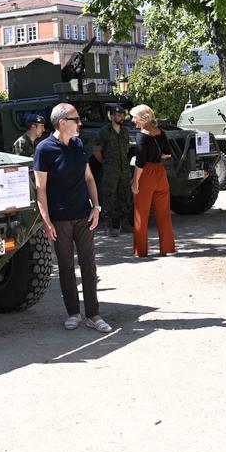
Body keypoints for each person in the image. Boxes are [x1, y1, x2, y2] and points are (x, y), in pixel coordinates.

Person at [33, 104, 112, 333]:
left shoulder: (78, 144)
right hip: (59, 219)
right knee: (66, 266)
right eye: (76, 119)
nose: (80, 123)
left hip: (83, 215)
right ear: (62, 123)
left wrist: (96, 207)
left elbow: (88, 178)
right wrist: (46, 221)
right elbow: (41, 189)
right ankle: (73, 313)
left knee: (89, 265)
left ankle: (94, 315)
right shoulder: (44, 149)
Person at [129, 104, 176, 257]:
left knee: (141, 213)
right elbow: (168, 154)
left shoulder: (141, 135)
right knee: (163, 213)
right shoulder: (161, 133)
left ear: (142, 118)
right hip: (160, 173)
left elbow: (140, 162)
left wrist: (135, 181)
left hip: (147, 174)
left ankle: (141, 251)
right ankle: (167, 248)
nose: (132, 120)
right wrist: (157, 156)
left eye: (134, 117)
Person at [92, 103, 132, 237]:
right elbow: (97, 150)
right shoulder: (104, 132)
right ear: (112, 116)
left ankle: (124, 224)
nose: (121, 117)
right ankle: (108, 226)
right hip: (110, 170)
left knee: (125, 196)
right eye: (118, 115)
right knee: (109, 197)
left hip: (124, 169)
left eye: (122, 115)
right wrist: (106, 162)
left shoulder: (125, 131)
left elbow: (126, 149)